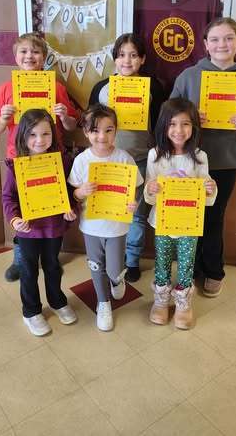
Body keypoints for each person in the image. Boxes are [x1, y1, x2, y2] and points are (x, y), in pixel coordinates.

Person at [170, 17, 236, 297]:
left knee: (214, 216)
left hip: (225, 161)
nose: (221, 44)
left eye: (228, 38)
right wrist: (188, 116)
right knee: (188, 214)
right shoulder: (189, 76)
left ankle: (213, 270)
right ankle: (191, 268)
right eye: (215, 39)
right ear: (205, 44)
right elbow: (170, 114)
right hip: (188, 159)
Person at [0, 32, 79, 282]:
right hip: (18, 159)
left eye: (35, 52)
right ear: (16, 56)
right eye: (24, 52)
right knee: (23, 209)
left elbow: (72, 126)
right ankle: (21, 257)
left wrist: (64, 117)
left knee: (49, 206)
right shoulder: (6, 89)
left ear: (44, 57)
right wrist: (3, 119)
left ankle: (51, 257)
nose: (29, 56)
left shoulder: (56, 88)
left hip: (51, 158)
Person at [89, 33, 166, 282]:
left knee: (136, 215)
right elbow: (90, 125)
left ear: (142, 59)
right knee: (108, 211)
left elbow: (160, 125)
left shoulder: (154, 87)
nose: (127, 61)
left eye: (133, 55)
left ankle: (131, 260)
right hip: (108, 162)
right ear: (115, 58)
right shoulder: (102, 88)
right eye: (121, 55)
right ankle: (111, 257)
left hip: (142, 159)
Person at [1, 108, 77, 336]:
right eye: (32, 135)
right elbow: (8, 197)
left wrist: (71, 209)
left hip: (53, 226)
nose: (39, 140)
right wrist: (14, 220)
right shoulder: (16, 166)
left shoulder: (61, 162)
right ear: (23, 137)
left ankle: (57, 301)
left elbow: (69, 190)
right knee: (28, 269)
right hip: (29, 230)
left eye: (45, 134)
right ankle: (31, 311)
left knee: (53, 265)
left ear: (53, 135)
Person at [68, 104, 143, 331]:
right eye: (95, 130)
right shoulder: (82, 160)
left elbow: (136, 187)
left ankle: (117, 279)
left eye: (108, 130)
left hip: (117, 227)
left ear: (116, 130)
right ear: (86, 132)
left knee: (113, 268)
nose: (102, 136)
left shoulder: (124, 158)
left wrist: (134, 203)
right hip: (91, 226)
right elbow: (74, 193)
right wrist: (82, 192)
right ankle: (103, 303)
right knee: (95, 265)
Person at [144, 99, 217, 329]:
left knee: (186, 263)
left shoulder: (200, 156)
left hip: (189, 223)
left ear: (194, 127)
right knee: (162, 261)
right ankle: (161, 300)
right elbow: (148, 194)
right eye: (172, 124)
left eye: (185, 124)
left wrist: (210, 188)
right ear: (163, 126)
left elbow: (206, 194)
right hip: (163, 221)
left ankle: (184, 303)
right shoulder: (154, 155)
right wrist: (151, 189)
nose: (178, 130)